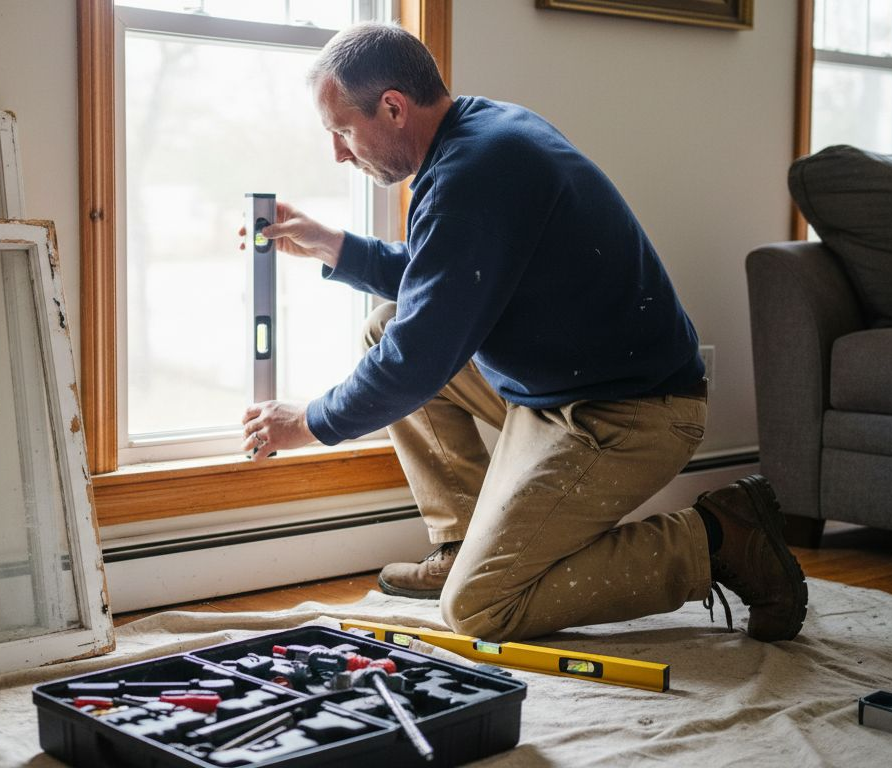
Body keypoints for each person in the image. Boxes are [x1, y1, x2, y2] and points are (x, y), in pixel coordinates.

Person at [238, 22, 807, 642]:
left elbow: (419, 356)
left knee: (481, 609)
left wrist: (308, 424)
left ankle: (721, 536)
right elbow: (446, 281)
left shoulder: (472, 173)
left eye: (342, 130)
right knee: (385, 327)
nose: (339, 153)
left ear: (394, 107)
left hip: (629, 414)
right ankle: (463, 544)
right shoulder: (478, 132)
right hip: (559, 390)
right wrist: (333, 245)